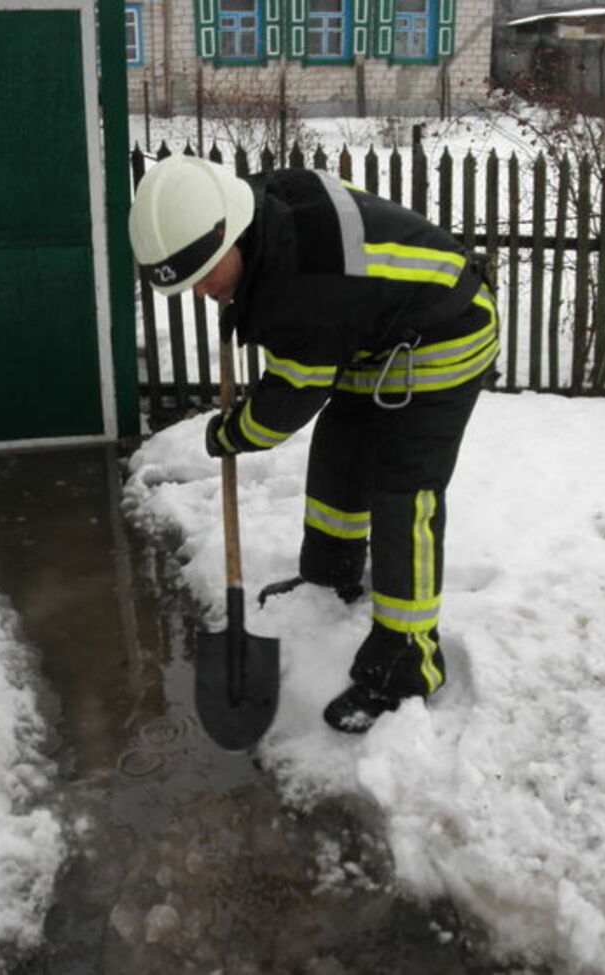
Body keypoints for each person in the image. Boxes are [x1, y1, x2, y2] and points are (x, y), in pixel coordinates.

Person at [128, 154, 498, 734]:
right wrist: (242, 295)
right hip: (372, 331)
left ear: (230, 233)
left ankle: (408, 663)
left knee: (404, 494)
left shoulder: (304, 285)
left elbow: (286, 403)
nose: (203, 292)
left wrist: (230, 433)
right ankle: (331, 573)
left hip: (442, 335)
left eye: (206, 275)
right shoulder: (258, 208)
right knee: (340, 452)